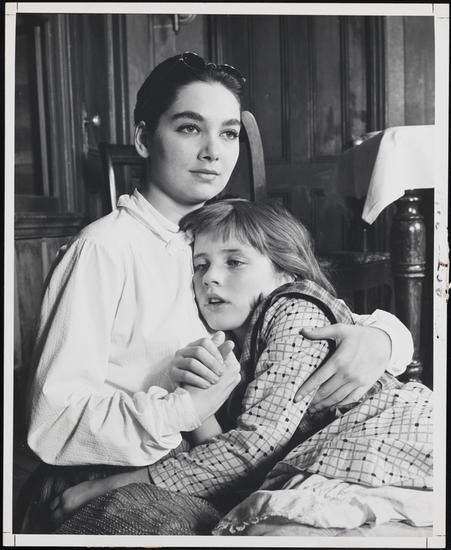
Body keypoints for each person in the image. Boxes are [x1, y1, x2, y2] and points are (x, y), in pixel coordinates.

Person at [20, 52, 413, 531]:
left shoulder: (219, 239)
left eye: (228, 133)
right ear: (144, 139)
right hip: (106, 471)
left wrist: (382, 339)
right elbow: (53, 422)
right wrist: (184, 410)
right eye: (190, 128)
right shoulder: (104, 249)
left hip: (211, 461)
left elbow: (303, 311)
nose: (213, 151)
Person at [49, 199, 432, 535]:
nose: (210, 277)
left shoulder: (294, 310)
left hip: (387, 442)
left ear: (285, 271)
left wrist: (107, 486)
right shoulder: (236, 345)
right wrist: (197, 403)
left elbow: (256, 447)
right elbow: (235, 459)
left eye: (234, 262)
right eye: (200, 266)